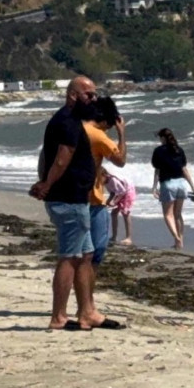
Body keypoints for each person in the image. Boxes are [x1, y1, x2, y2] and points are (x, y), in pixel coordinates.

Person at [29, 75, 124, 331]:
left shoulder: (71, 121)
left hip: (78, 199)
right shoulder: (68, 121)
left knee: (86, 255)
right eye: (89, 95)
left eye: (94, 94)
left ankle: (87, 312)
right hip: (68, 199)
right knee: (69, 257)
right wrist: (46, 185)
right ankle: (58, 317)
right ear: (73, 95)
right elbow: (61, 158)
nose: (93, 99)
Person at [83, 96, 126, 268]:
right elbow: (120, 160)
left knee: (77, 252)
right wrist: (121, 133)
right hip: (93, 198)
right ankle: (87, 293)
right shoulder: (98, 136)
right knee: (96, 252)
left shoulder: (77, 128)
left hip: (73, 195)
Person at [151, 128, 194, 249]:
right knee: (178, 214)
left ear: (162, 138)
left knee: (168, 215)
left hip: (168, 184)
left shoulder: (158, 151)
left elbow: (157, 170)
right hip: (182, 184)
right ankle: (180, 241)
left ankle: (176, 238)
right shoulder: (179, 150)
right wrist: (193, 187)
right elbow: (184, 169)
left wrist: (154, 187)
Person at [104, 168, 136, 246]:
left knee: (125, 213)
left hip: (128, 191)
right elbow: (113, 192)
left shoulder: (112, 180)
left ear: (105, 175)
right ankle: (114, 236)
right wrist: (108, 201)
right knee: (114, 213)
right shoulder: (105, 182)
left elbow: (122, 191)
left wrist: (114, 201)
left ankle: (129, 237)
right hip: (120, 193)